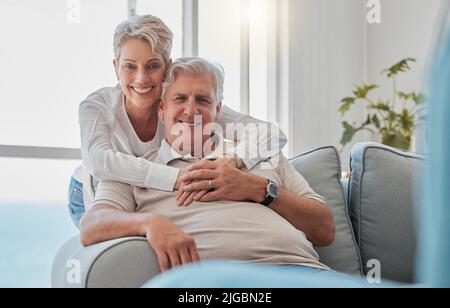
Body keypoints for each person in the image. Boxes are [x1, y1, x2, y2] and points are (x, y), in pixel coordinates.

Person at [80, 57, 335, 273]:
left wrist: (258, 189)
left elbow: (325, 230)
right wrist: (149, 223)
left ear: (218, 109)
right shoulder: (135, 171)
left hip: (309, 273)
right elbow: (92, 226)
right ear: (161, 107)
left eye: (202, 100)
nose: (191, 110)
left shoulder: (263, 155)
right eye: (180, 98)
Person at [69, 15, 287, 228]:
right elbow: (99, 162)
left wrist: (234, 159)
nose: (141, 78)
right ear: (116, 67)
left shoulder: (180, 105)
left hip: (144, 192)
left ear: (167, 65)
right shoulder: (97, 106)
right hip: (91, 190)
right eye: (129, 66)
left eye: (152, 65)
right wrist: (182, 178)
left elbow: (271, 133)